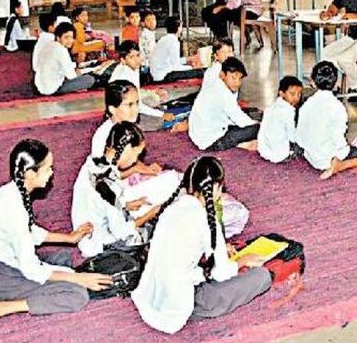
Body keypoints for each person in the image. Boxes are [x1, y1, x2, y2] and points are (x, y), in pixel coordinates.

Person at [131, 156, 271, 334]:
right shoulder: (206, 219)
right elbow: (221, 274)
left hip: (149, 297)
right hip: (178, 305)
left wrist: (218, 250)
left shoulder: (171, 207)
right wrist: (241, 261)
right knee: (261, 276)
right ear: (217, 188)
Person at [92, 82, 250, 238]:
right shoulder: (104, 137)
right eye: (130, 105)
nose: (136, 109)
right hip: (118, 195)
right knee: (178, 199)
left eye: (137, 103)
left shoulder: (127, 128)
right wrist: (136, 177)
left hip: (128, 185)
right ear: (112, 109)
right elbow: (101, 182)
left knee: (178, 180)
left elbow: (128, 162)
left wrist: (144, 168)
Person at [0, 139, 112, 322]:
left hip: (7, 261)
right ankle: (0, 307)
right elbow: (31, 268)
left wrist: (70, 238)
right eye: (48, 168)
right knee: (77, 294)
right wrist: (79, 279)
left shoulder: (12, 192)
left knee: (63, 258)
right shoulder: (13, 207)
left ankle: (62, 278)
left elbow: (29, 231)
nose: (52, 173)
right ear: (30, 173)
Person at [72, 121, 158, 257]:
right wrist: (150, 215)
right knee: (156, 235)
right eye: (136, 154)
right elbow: (120, 231)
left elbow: (100, 201)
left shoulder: (92, 162)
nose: (135, 160)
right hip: (98, 245)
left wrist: (124, 205)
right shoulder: (109, 185)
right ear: (128, 149)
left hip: (86, 228)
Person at [296, 61, 357, 179]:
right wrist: (345, 148)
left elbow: (300, 137)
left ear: (313, 82)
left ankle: (335, 162)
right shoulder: (337, 107)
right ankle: (341, 165)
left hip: (312, 158)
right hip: (330, 157)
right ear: (335, 82)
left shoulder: (306, 105)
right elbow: (338, 139)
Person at [110, 41, 182, 132]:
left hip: (131, 105)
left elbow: (136, 93)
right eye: (132, 57)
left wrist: (152, 92)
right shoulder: (123, 77)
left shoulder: (132, 68)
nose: (137, 60)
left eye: (138, 55)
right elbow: (136, 105)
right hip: (123, 114)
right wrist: (161, 115)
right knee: (157, 122)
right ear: (123, 60)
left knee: (154, 98)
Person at [189, 57, 259, 151]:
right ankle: (240, 144)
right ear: (222, 75)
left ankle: (241, 143)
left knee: (246, 120)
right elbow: (240, 120)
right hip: (212, 142)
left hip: (199, 136)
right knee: (257, 129)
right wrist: (257, 124)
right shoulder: (223, 93)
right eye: (233, 77)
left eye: (240, 79)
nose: (237, 82)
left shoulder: (215, 84)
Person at [34, 22, 98, 96]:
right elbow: (71, 76)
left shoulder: (48, 45)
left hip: (39, 87)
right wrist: (82, 72)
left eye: (72, 37)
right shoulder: (61, 50)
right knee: (90, 79)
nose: (70, 40)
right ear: (58, 37)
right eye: (66, 37)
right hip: (53, 89)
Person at [258, 76, 303, 163]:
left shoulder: (270, 108)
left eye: (299, 94)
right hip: (280, 154)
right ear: (282, 93)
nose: (296, 98)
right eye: (292, 94)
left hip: (264, 151)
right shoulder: (288, 111)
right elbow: (292, 137)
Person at [149, 16, 203, 83]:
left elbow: (173, 61)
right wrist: (192, 67)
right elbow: (176, 66)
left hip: (157, 74)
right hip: (163, 75)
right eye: (181, 26)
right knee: (200, 72)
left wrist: (189, 59)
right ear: (178, 28)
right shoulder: (173, 41)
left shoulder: (164, 39)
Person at [139, 10, 158, 82]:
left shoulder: (150, 33)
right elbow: (150, 54)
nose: (152, 22)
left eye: (153, 19)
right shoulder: (146, 35)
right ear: (143, 23)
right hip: (147, 67)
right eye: (148, 20)